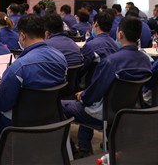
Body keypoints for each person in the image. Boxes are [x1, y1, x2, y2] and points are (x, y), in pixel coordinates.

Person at [0, 14, 67, 161]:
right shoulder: (61, 59)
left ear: (22, 36)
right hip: (50, 119)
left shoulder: (18, 67)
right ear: (44, 33)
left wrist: (2, 87)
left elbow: (1, 105)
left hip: (17, 123)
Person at [62, 17, 152, 157]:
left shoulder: (111, 62)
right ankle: (98, 145)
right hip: (128, 110)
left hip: (103, 113)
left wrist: (83, 96)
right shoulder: (146, 60)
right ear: (139, 35)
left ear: (120, 34)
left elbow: (94, 94)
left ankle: (73, 151)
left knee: (61, 105)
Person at [80, 11, 119, 79]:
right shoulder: (115, 44)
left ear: (96, 24)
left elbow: (82, 69)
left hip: (94, 81)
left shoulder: (90, 46)